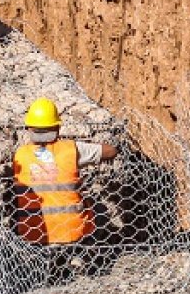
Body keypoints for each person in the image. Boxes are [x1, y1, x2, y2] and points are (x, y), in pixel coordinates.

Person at [12, 98, 116, 245]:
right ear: (57, 128)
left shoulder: (20, 155)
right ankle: (86, 256)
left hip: (34, 234)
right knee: (99, 209)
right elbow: (110, 151)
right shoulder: (70, 149)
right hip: (73, 232)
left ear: (29, 128)